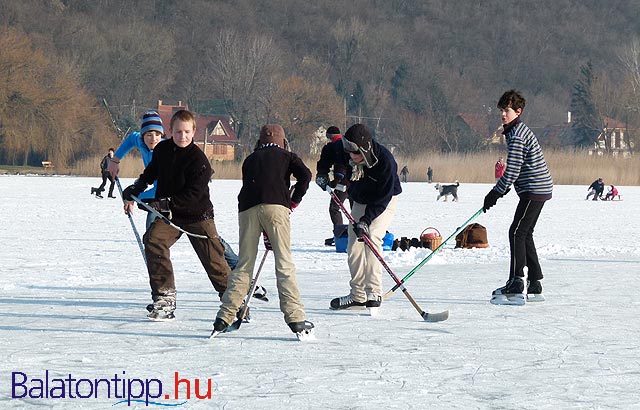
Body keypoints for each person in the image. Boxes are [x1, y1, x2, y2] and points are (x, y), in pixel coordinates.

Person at [122, 110, 231, 321]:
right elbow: (151, 173)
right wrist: (137, 188)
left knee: (214, 261)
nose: (183, 136)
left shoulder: (199, 160)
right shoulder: (163, 150)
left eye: (187, 132)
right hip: (171, 216)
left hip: (198, 215)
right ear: (170, 131)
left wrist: (164, 203)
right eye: (178, 132)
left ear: (194, 132)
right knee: (153, 240)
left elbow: (194, 195)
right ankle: (164, 298)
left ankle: (233, 300)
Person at [212, 124, 313, 337]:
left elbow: (258, 189)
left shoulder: (250, 159)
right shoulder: (287, 156)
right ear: (283, 142)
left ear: (259, 142)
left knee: (244, 266)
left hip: (247, 210)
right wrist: (293, 201)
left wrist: (266, 232)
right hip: (276, 207)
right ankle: (295, 317)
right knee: (284, 263)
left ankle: (225, 316)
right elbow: (305, 176)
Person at [109, 110, 239, 270]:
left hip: (185, 201)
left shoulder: (168, 149)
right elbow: (130, 140)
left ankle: (237, 266)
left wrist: (139, 199)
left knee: (210, 240)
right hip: (163, 200)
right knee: (152, 234)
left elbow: (159, 189)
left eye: (157, 135)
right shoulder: (141, 142)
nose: (153, 139)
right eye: (148, 135)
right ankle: (156, 265)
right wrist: (115, 161)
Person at [483, 90, 553, 306]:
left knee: (516, 232)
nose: (503, 114)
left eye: (507, 110)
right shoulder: (515, 131)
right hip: (537, 189)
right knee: (525, 232)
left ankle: (516, 283)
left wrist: (495, 192)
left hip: (534, 188)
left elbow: (511, 171)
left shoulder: (517, 136)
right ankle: (535, 282)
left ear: (518, 111)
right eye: (501, 110)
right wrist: (498, 192)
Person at [329, 123, 402, 310]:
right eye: (350, 152)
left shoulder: (386, 161)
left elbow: (383, 198)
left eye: (356, 153)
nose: (352, 157)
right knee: (353, 245)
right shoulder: (348, 153)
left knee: (372, 238)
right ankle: (357, 295)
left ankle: (374, 292)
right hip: (361, 200)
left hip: (383, 201)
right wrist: (324, 175)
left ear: (365, 148)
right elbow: (329, 156)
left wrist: (366, 221)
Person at [316, 126, 349, 247]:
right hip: (357, 182)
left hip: (344, 182)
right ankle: (357, 235)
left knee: (334, 207)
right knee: (356, 208)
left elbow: (337, 163)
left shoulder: (334, 146)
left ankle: (339, 234)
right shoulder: (348, 142)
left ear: (329, 136)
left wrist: (336, 179)